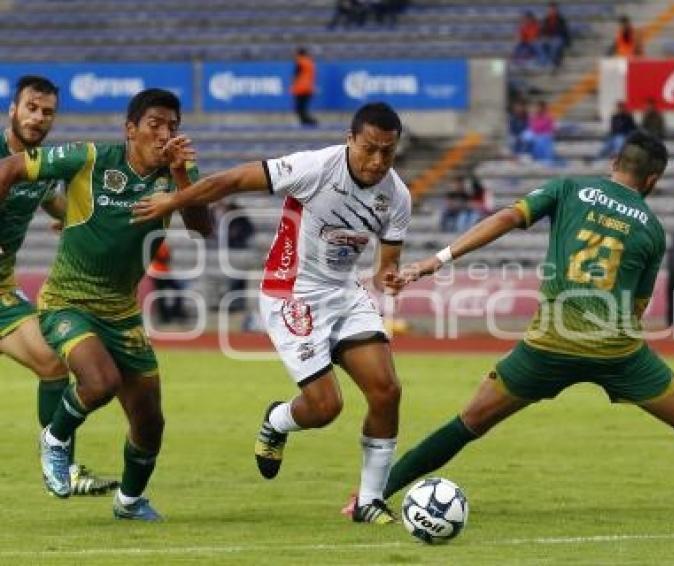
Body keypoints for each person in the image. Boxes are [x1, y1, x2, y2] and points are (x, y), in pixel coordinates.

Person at [380, 130, 674, 521]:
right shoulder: (651, 227)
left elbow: (507, 217)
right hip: (619, 353)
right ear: (653, 180)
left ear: (614, 162)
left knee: (467, 423)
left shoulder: (567, 189)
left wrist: (435, 261)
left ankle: (372, 494)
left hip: (547, 347)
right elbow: (638, 306)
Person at [131, 102, 412, 525]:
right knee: (324, 408)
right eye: (369, 149)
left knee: (387, 391)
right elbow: (232, 180)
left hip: (343, 292)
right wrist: (176, 199)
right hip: (290, 292)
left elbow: (385, 264)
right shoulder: (314, 167)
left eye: (387, 153)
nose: (376, 162)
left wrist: (389, 277)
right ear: (350, 139)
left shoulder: (397, 195)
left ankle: (369, 500)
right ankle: (278, 420)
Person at [0, 88, 212, 519]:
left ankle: (130, 502)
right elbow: (9, 168)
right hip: (67, 301)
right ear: (130, 129)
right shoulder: (91, 158)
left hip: (122, 313)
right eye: (154, 124)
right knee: (100, 382)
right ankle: (55, 439)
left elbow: (202, 228)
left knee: (149, 421)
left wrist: (183, 183)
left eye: (172, 125)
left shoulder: (179, 171)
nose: (164, 134)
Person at [0, 75, 117, 496]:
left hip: (1, 294)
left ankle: (60, 468)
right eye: (31, 107)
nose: (37, 117)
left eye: (47, 112)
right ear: (12, 109)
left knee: (53, 364)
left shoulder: (42, 168)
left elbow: (57, 204)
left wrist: (76, 220)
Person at [148, 240, 187, 324]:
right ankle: (165, 317)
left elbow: (167, 256)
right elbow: (163, 256)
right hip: (158, 273)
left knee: (177, 291)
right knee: (162, 296)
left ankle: (173, 313)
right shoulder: (157, 244)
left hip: (165, 272)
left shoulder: (162, 243)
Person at [540, 2, 571, 71]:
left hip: (559, 38)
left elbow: (564, 32)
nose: (552, 11)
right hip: (549, 39)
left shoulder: (561, 20)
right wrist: (545, 36)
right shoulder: (546, 20)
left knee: (555, 43)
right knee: (540, 44)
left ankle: (553, 63)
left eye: (553, 9)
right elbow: (542, 31)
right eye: (550, 9)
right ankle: (547, 63)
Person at [292, 47, 318, 127]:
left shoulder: (300, 62)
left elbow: (296, 75)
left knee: (299, 108)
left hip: (300, 88)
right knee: (303, 107)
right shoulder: (310, 62)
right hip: (308, 88)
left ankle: (308, 121)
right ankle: (308, 121)